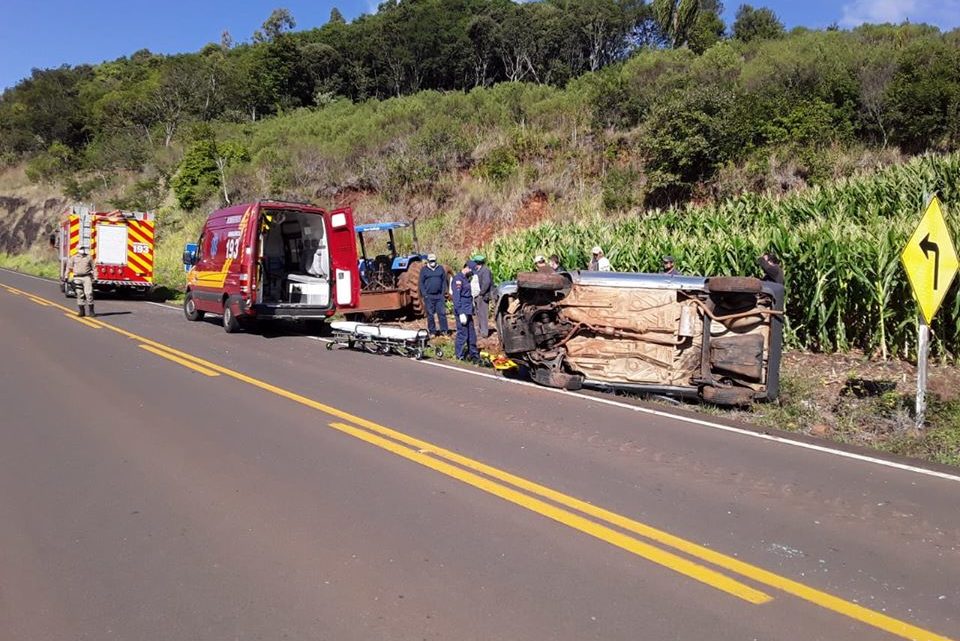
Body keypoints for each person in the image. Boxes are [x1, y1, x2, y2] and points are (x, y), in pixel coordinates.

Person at [452, 261, 479, 362]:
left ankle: (473, 354)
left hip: (468, 310)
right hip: (462, 310)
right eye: (471, 270)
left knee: (471, 334)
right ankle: (459, 355)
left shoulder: (466, 279)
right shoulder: (458, 279)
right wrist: (460, 312)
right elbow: (456, 297)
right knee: (462, 334)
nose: (472, 273)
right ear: (467, 268)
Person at [419, 254, 449, 336]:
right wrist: (425, 294)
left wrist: (443, 293)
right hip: (429, 296)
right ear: (428, 261)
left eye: (434, 261)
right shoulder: (424, 270)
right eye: (431, 261)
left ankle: (444, 331)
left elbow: (444, 282)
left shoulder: (440, 269)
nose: (433, 262)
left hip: (439, 296)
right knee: (430, 314)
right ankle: (432, 332)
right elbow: (421, 283)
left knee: (442, 313)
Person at [67, 245, 96, 317]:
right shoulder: (74, 257)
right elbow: (69, 267)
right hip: (77, 278)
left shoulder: (89, 257)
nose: (82, 250)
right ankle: (81, 311)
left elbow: (94, 268)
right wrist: (66, 276)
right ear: (77, 249)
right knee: (79, 293)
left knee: (89, 293)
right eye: (81, 248)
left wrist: (95, 277)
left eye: (83, 248)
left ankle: (91, 311)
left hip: (87, 277)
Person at [471, 254, 494, 339]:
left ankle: (484, 332)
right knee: (478, 313)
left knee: (483, 314)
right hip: (477, 295)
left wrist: (481, 293)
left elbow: (486, 283)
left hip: (483, 295)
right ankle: (480, 330)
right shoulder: (477, 270)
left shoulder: (485, 270)